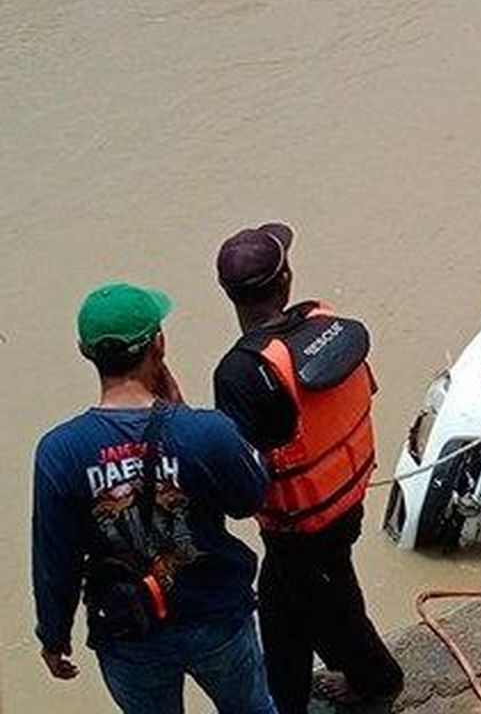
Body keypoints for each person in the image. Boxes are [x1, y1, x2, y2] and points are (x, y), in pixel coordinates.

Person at [32, 282, 275, 714]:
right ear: (159, 344)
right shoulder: (205, 430)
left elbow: (55, 561)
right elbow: (249, 497)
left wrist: (54, 637)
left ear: (86, 352)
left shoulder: (59, 451)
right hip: (216, 614)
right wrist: (184, 413)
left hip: (129, 630)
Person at [211, 223, 403, 714]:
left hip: (301, 523)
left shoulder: (242, 371)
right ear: (287, 279)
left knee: (324, 604)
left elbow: (244, 479)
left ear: (227, 293)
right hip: (348, 493)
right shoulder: (330, 325)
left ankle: (378, 681)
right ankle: (289, 698)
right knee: (281, 604)